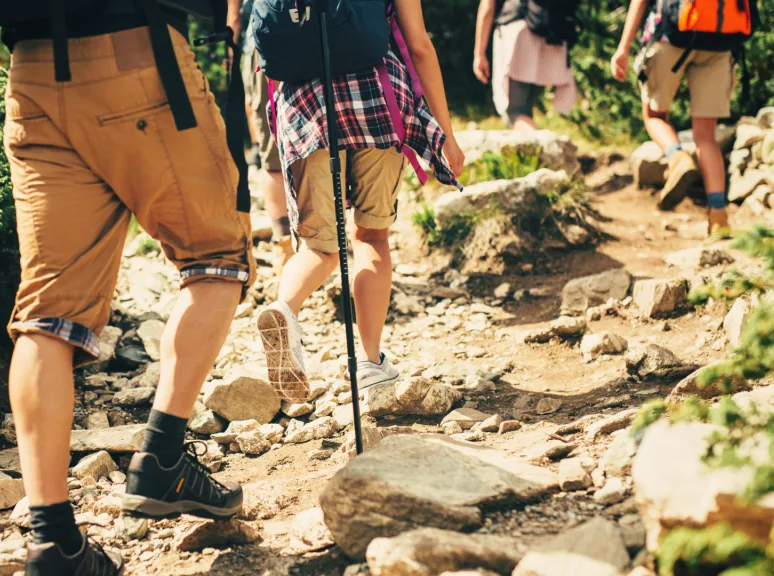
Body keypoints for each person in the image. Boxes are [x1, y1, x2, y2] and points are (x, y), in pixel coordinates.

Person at [1, 2, 256, 574]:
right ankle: (162, 458)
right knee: (217, 260)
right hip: (137, 57)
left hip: (32, 76)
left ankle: (53, 541)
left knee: (47, 314)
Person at [255, 0, 464, 401]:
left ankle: (285, 310)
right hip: (377, 101)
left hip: (304, 107)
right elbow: (419, 45)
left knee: (320, 245)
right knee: (371, 235)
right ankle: (369, 363)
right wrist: (445, 133)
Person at [611, 0, 732, 235]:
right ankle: (719, 218)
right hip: (720, 42)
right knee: (706, 136)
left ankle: (677, 158)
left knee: (654, 115)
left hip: (671, 35)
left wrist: (623, 48)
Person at [239, 0, 295, 272]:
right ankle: (323, 242)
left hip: (265, 37)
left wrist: (231, 30)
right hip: (324, 36)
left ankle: (285, 245)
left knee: (272, 152)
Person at [473, 0, 578, 131]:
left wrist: (479, 54)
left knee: (514, 113)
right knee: (525, 110)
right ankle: (538, 146)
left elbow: (487, 6)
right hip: (551, 33)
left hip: (519, 32)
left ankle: (545, 146)